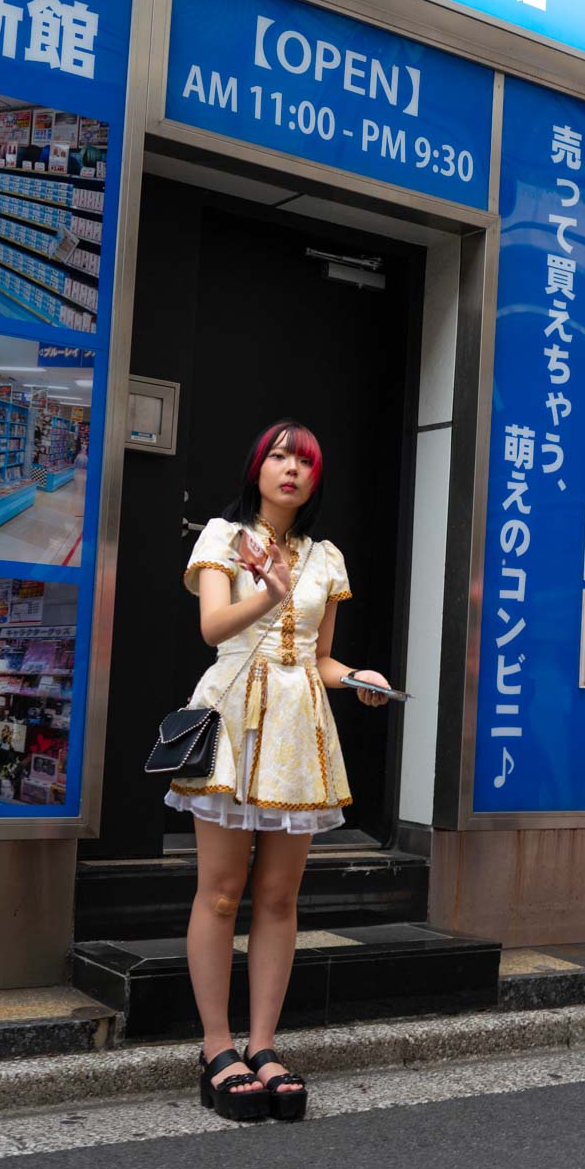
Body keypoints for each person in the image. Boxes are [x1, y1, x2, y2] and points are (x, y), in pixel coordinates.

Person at [167, 421, 392, 1121]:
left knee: (279, 897)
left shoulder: (327, 555)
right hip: (235, 717)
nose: (291, 468)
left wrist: (358, 675)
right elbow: (212, 628)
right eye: (279, 456)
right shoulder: (221, 536)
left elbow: (320, 657)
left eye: (305, 460)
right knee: (222, 891)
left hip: (299, 722)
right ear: (257, 467)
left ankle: (263, 1044)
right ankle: (215, 1046)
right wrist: (270, 590)